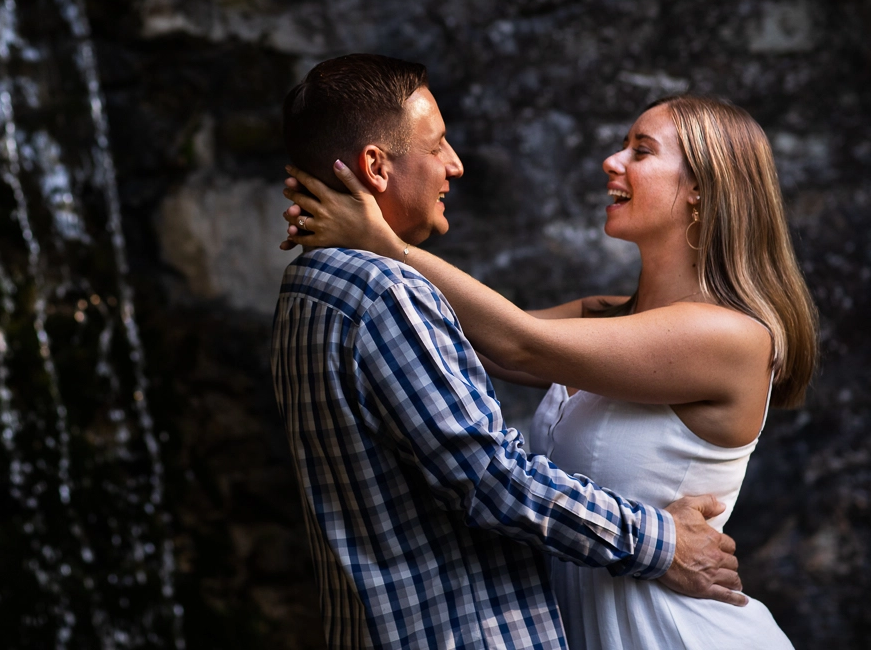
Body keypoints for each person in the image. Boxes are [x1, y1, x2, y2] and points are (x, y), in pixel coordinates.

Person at [279, 65, 817, 649]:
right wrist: (346, 230)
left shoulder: (731, 337)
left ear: (701, 191)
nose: (612, 161)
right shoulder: (605, 314)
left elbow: (519, 344)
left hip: (673, 634)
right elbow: (470, 344)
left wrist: (386, 244)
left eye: (641, 151)